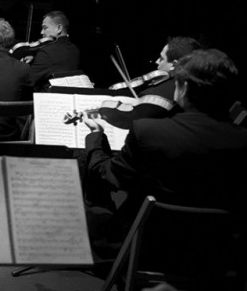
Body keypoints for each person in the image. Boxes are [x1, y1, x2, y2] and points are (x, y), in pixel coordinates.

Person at [82, 49, 247, 258]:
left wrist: (96, 136)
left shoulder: (148, 132)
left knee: (87, 214)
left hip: (144, 247)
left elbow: (109, 176)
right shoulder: (242, 140)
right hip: (215, 254)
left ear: (184, 87)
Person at [27, 10, 81, 91]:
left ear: (59, 28)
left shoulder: (47, 52)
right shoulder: (74, 49)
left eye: (45, 28)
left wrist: (23, 64)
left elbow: (29, 80)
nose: (41, 32)